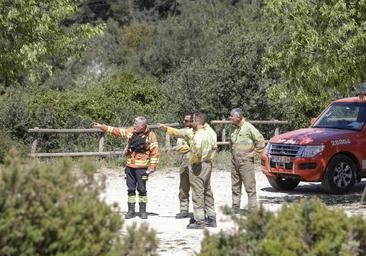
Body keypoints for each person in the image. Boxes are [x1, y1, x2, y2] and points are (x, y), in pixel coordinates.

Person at [159, 111, 217, 229]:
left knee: (197, 192)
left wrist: (193, 160)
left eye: (193, 120)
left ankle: (199, 221)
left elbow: (197, 150)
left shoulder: (199, 134)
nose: (191, 122)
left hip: (198, 165)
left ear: (197, 121)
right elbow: (181, 132)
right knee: (207, 190)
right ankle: (211, 218)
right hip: (208, 164)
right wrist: (166, 129)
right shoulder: (210, 131)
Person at [94, 117, 159, 219]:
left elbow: (155, 152)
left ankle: (143, 211)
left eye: (136, 124)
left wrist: (152, 167)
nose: (134, 126)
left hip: (142, 169)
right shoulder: (130, 132)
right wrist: (103, 127)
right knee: (131, 189)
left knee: (142, 190)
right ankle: (131, 211)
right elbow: (117, 131)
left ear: (142, 126)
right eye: (134, 124)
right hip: (130, 168)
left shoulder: (151, 135)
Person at [228, 108, 265, 212]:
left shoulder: (248, 127)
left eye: (231, 116)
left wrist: (254, 154)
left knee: (250, 186)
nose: (230, 118)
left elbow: (260, 141)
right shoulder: (235, 128)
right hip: (234, 161)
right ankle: (235, 207)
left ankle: (253, 210)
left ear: (238, 117)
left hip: (246, 162)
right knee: (235, 185)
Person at [174, 113, 193, 219]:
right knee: (183, 188)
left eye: (186, 121)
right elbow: (178, 148)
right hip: (184, 162)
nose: (184, 122)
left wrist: (189, 147)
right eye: (184, 120)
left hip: (196, 163)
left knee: (197, 188)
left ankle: (200, 211)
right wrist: (189, 147)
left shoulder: (198, 132)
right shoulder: (182, 133)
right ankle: (184, 210)